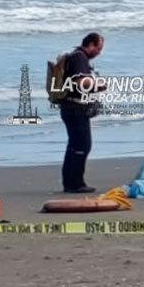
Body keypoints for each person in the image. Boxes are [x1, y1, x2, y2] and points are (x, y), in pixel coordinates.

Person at [59, 33, 104, 193]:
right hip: (75, 107)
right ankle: (76, 183)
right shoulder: (80, 58)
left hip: (69, 106)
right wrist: (99, 84)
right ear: (90, 44)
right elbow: (80, 83)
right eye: (98, 48)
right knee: (82, 145)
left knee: (74, 145)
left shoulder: (74, 56)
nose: (99, 52)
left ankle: (69, 182)